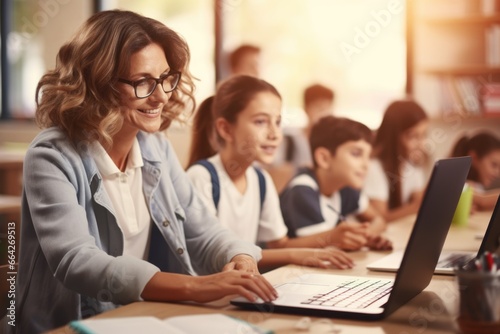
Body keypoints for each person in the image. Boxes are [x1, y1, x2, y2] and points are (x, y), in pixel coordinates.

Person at [15, 10, 277, 333]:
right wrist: (196, 287)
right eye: (143, 82)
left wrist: (241, 257)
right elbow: (77, 262)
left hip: (139, 321)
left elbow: (202, 229)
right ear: (100, 85)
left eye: (166, 78)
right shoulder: (51, 155)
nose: (162, 96)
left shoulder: (156, 147)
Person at [186, 75, 354, 271]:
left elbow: (280, 245)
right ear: (226, 129)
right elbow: (214, 254)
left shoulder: (260, 179)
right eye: (260, 122)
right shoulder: (201, 178)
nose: (274, 134)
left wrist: (332, 239)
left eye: (278, 122)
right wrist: (296, 254)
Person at [280, 115, 391, 251]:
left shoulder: (346, 187)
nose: (366, 165)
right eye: (356, 154)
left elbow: (379, 220)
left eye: (368, 156)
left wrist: (367, 235)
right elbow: (317, 246)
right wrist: (342, 239)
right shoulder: (302, 190)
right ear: (324, 158)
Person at [363, 100, 429, 222]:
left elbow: (417, 198)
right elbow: (380, 218)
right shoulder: (374, 167)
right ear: (393, 137)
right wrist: (419, 206)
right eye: (413, 136)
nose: (421, 144)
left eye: (424, 135)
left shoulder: (412, 164)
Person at [450, 132, 500, 211]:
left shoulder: (478, 186)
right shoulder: (464, 185)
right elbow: (483, 200)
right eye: (494, 165)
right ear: (474, 158)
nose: (497, 173)